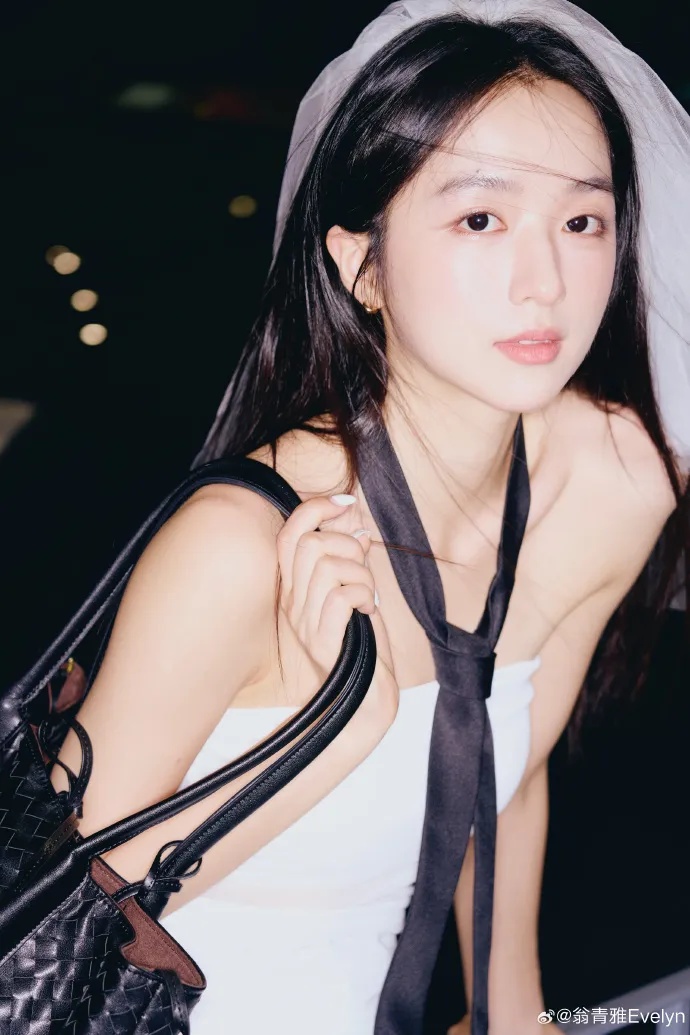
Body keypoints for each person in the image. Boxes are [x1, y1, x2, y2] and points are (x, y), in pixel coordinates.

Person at [52, 2, 690, 1033]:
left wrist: (512, 1014)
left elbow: (506, 776)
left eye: (582, 222)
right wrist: (331, 735)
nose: (546, 282)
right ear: (361, 266)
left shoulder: (613, 483)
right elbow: (62, 924)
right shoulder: (242, 543)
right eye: (480, 220)